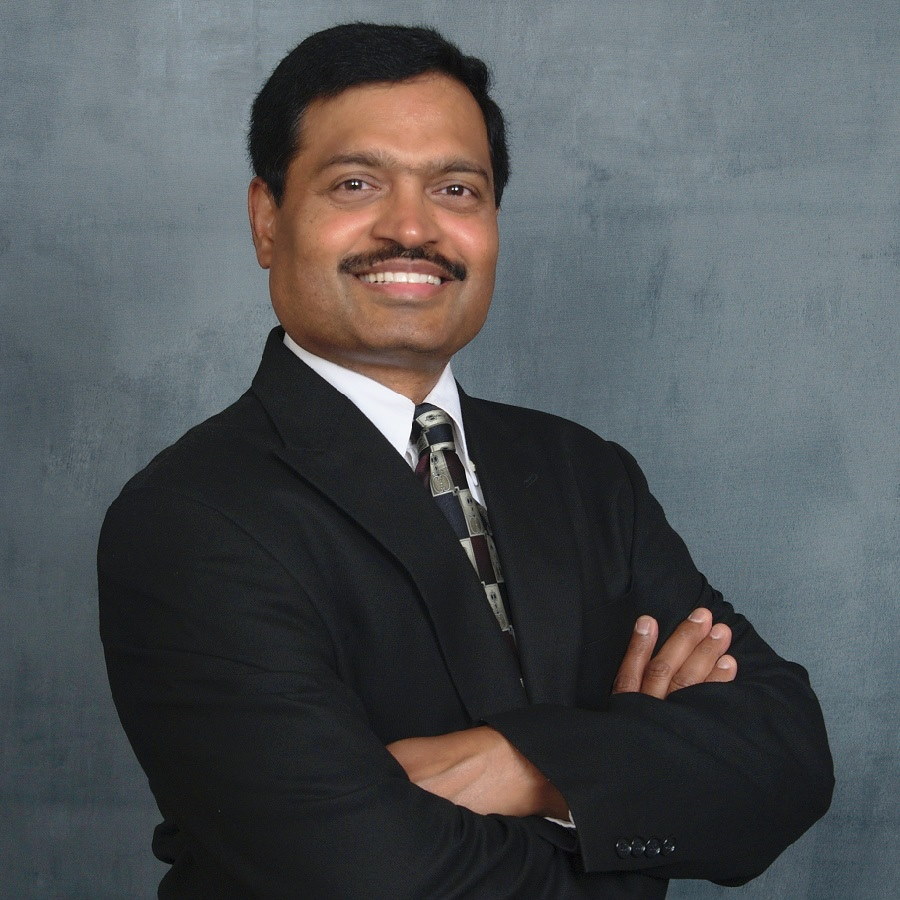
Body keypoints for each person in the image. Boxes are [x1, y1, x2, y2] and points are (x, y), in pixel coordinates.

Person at [98, 23, 833, 898]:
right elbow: (365, 876)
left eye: (455, 187)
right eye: (357, 183)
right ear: (267, 218)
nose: (411, 227)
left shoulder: (583, 473)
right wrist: (625, 795)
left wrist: (526, 767)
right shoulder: (193, 517)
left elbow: (786, 753)